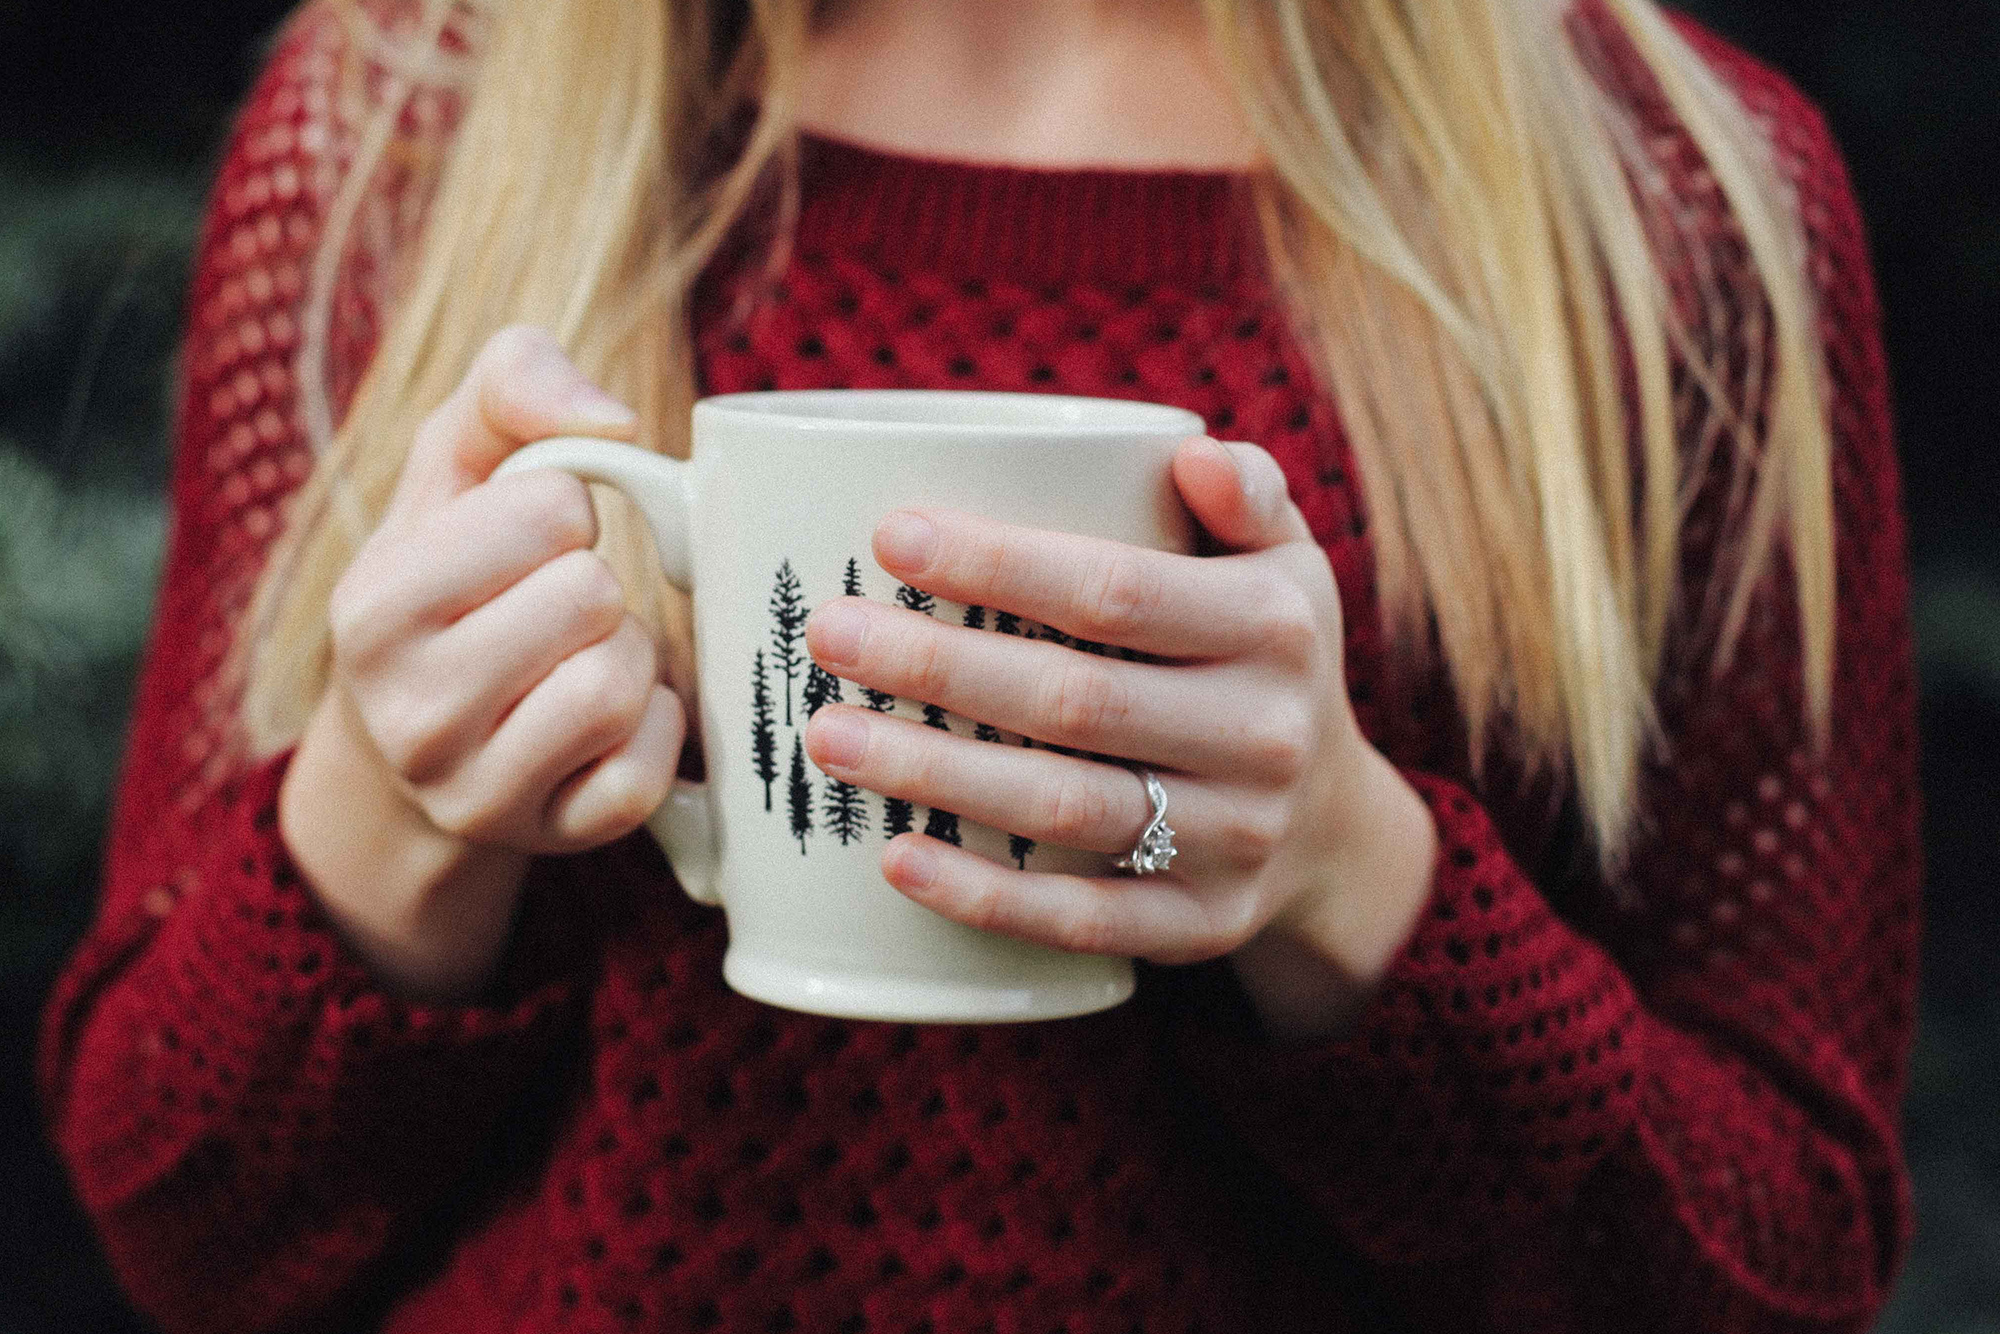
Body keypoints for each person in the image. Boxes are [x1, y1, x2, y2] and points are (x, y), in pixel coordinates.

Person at [40, 0, 1920, 1329]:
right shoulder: (415, 119)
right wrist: (391, 818)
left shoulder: (1661, 198)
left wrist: (1347, 875)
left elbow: (1788, 1258)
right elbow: (181, 1229)